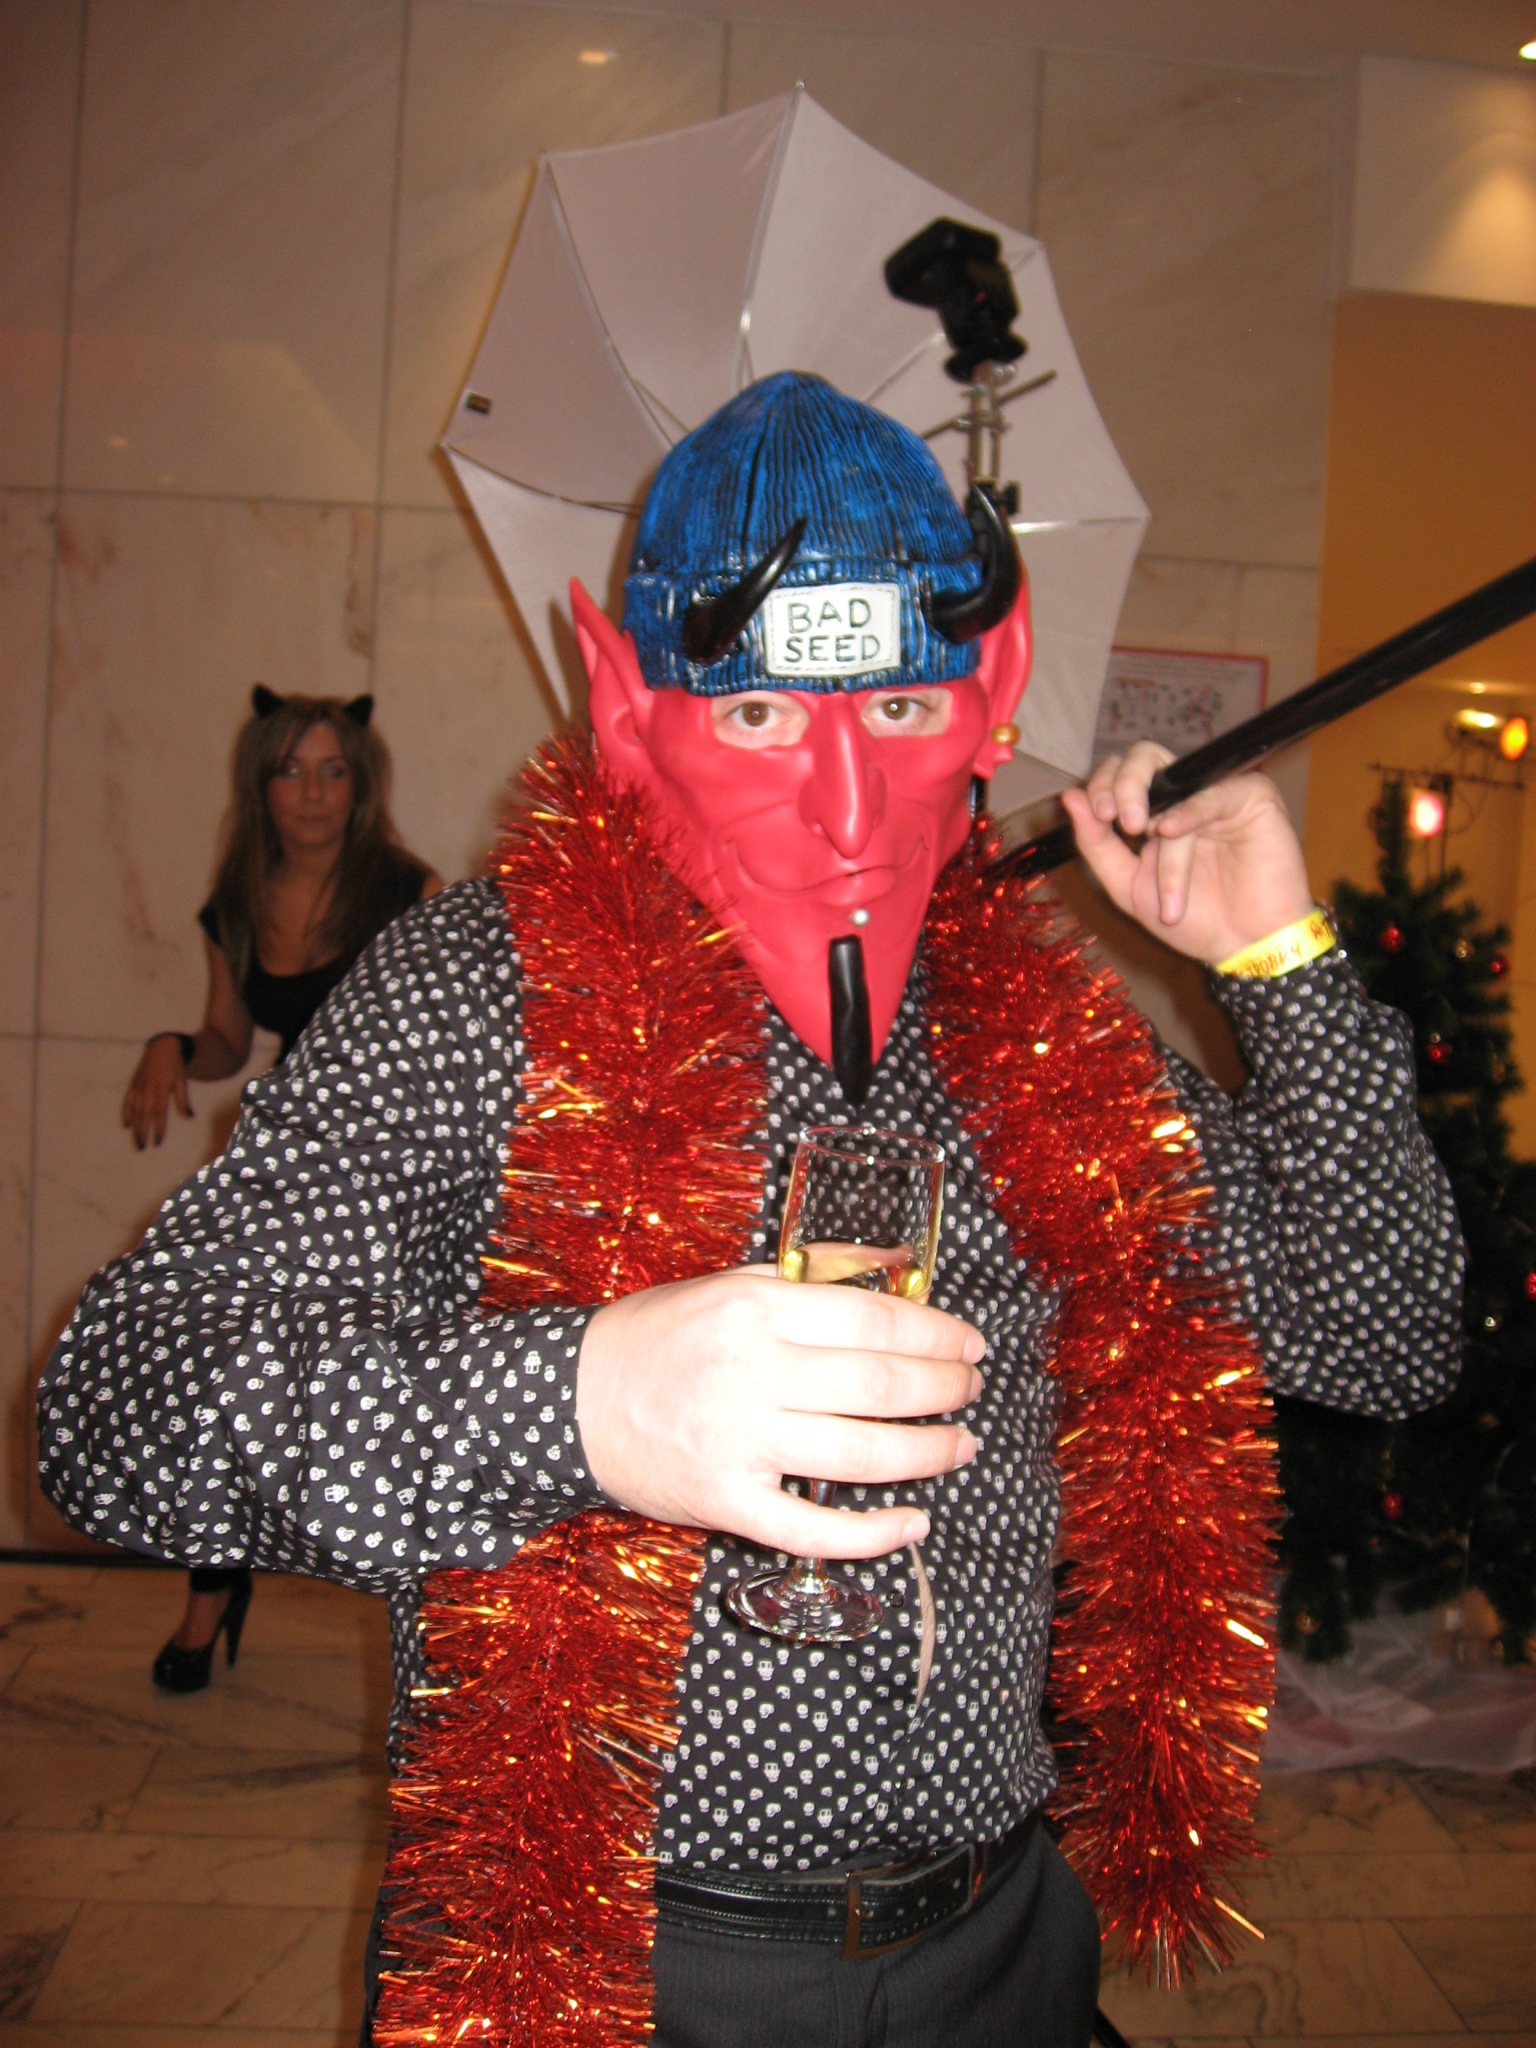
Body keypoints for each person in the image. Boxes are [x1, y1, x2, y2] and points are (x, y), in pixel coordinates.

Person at [42, 374, 1462, 2046]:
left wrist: (1280, 965)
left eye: (903, 709)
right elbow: (116, 1410)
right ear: (626, 703)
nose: (849, 810)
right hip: (623, 1965)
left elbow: (1383, 1335)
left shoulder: (1053, 1035)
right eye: (764, 717)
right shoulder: (478, 996)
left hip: (1006, 1939)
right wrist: (575, 1400)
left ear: (995, 691)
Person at [118, 686, 440, 1693]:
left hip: (388, 1165)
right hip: (288, 1163)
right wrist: (172, 1047)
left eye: (333, 770)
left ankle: (441, 1635)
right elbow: (228, 1040)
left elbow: (446, 1040)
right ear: (260, 785)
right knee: (228, 1368)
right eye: (291, 770)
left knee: (408, 1392)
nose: (312, 792)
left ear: (362, 784)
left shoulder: (407, 890)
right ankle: (210, 1597)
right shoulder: (236, 899)